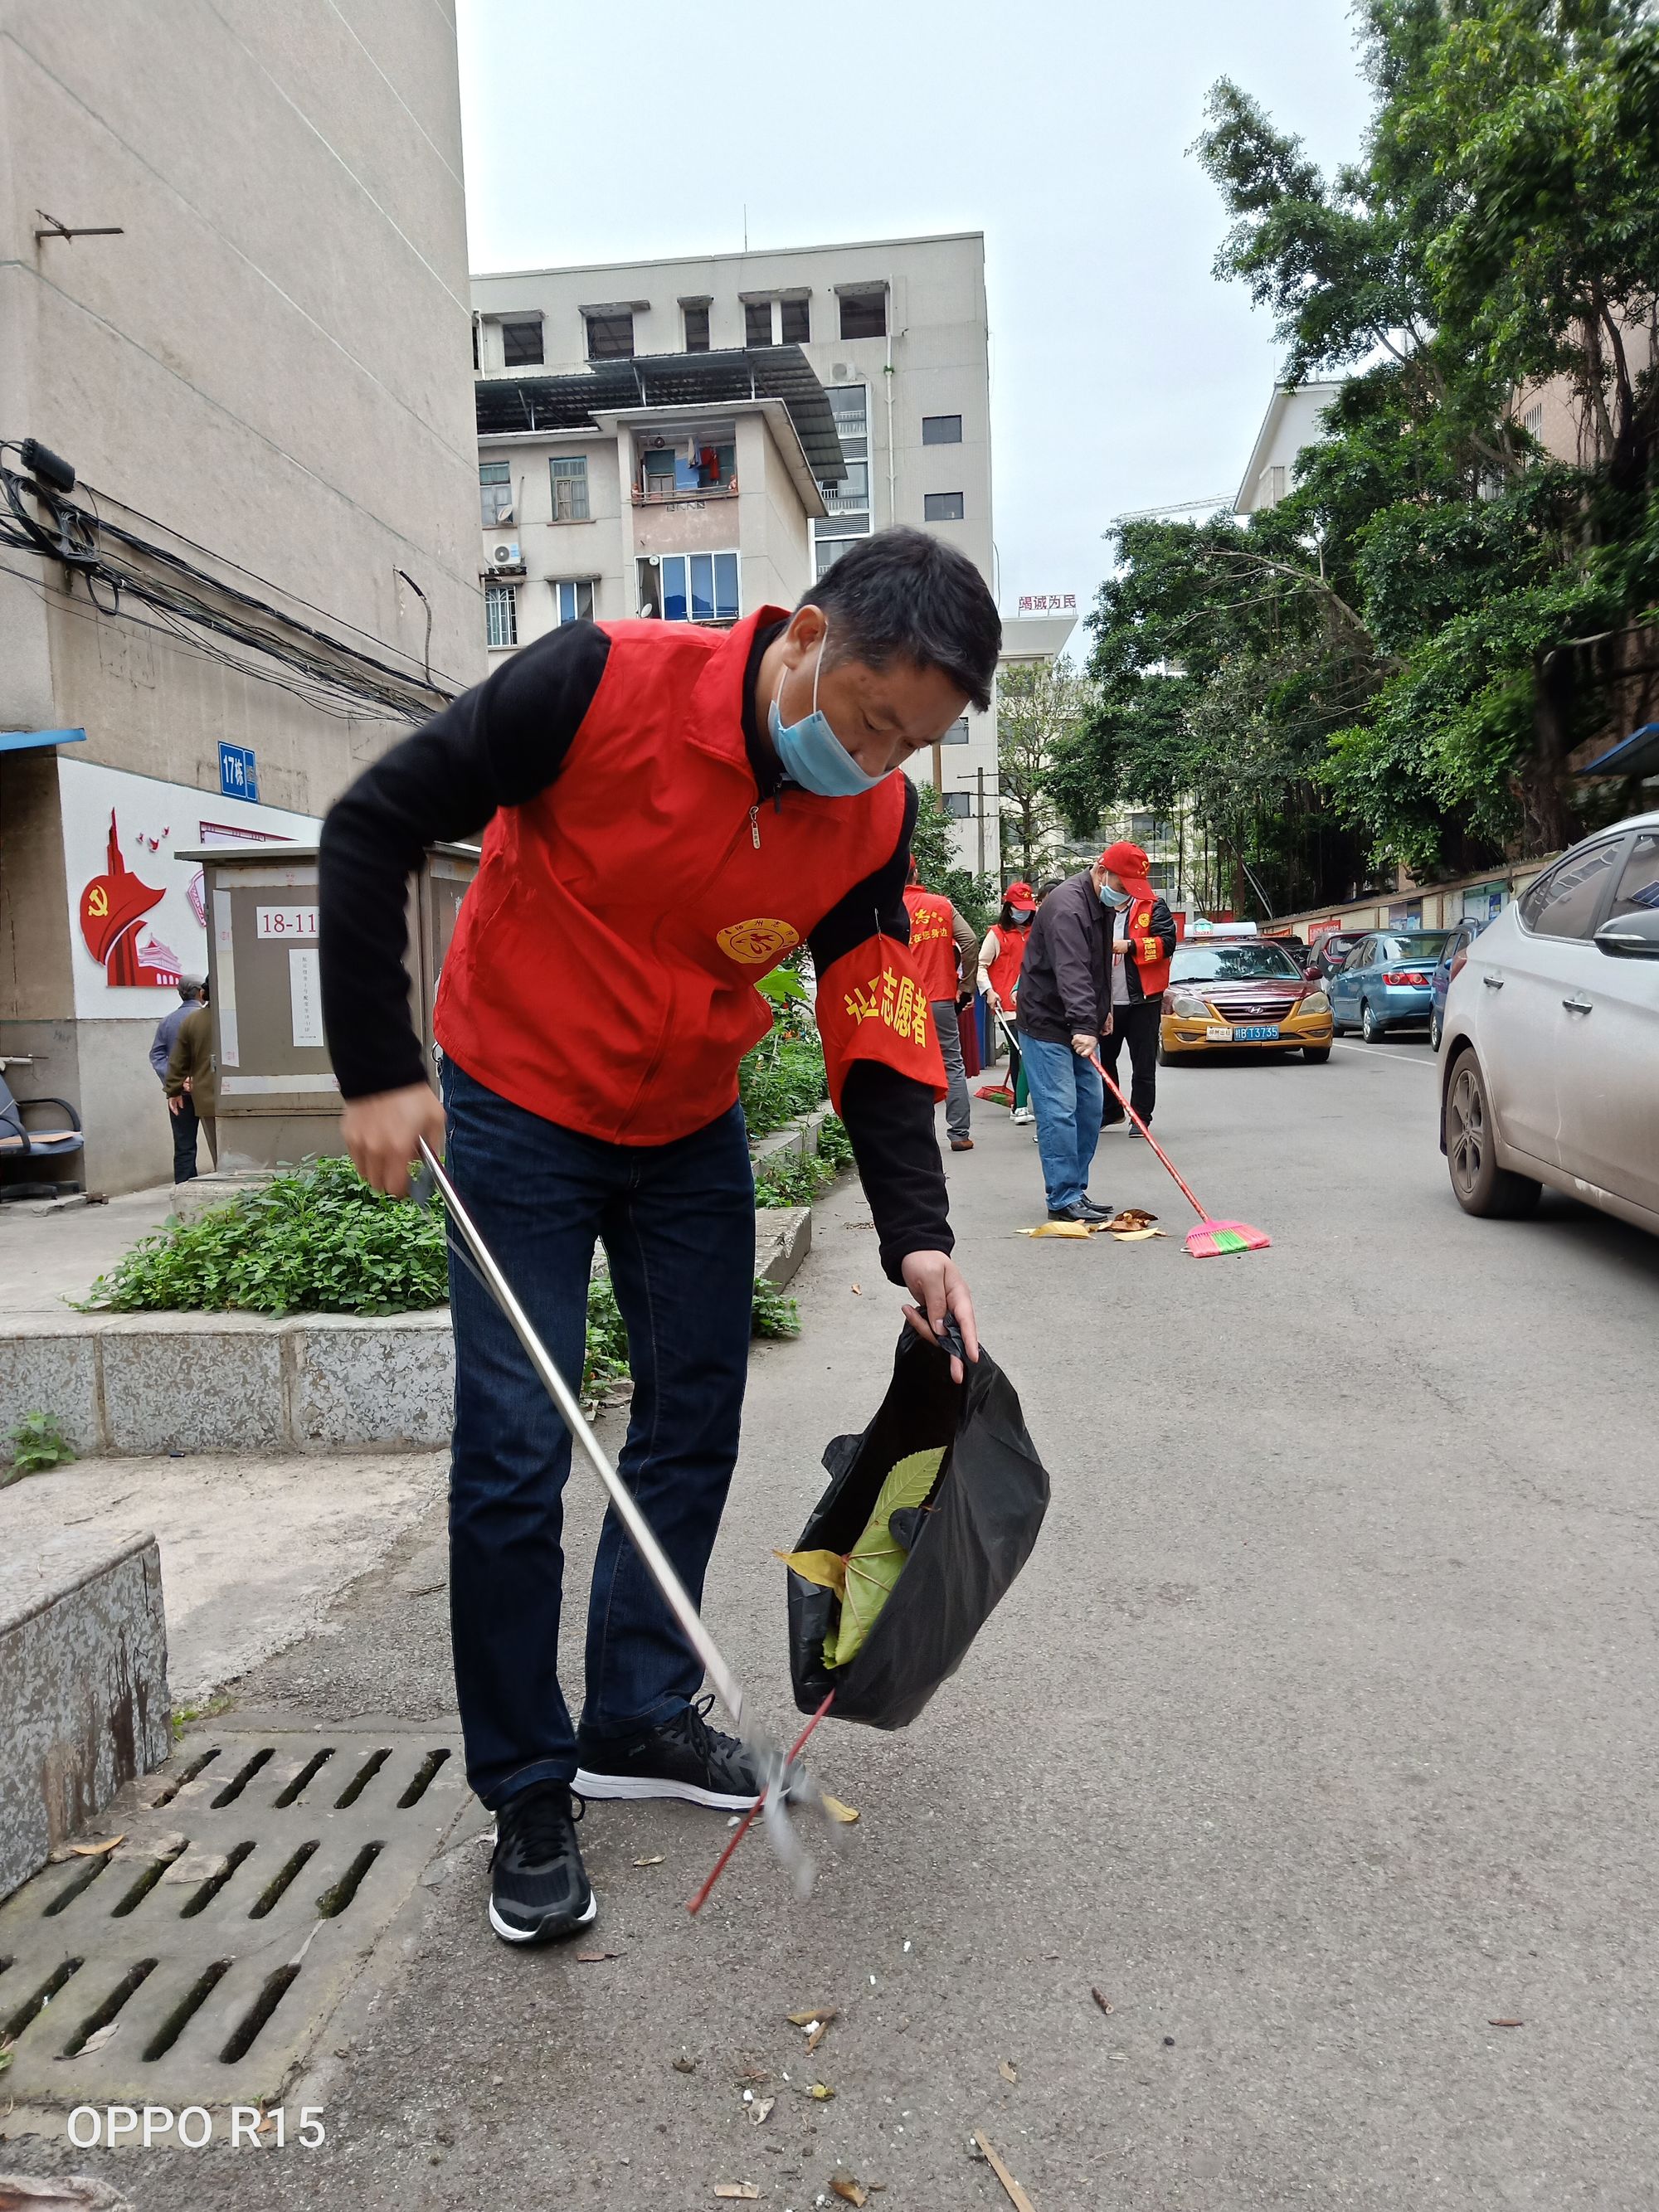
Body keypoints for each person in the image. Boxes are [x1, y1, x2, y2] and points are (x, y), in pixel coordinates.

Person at [317, 526, 995, 1951]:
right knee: (517, 1444)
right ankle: (527, 1782)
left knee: (696, 1412)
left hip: (685, 1118)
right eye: (871, 723)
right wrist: (380, 1066)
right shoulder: (592, 683)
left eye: (910, 748)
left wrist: (917, 1238)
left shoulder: (872, 820)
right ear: (806, 637)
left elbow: (875, 1028)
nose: (878, 766)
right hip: (517, 1099)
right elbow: (372, 822)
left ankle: (635, 1708)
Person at [1014, 853, 1119, 1223]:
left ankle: (1077, 1189)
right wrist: (1084, 1026)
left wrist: (1102, 1009)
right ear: (1102, 871)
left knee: (1091, 1106)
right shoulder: (1067, 908)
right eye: (1122, 887)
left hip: (1077, 1020)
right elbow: (1072, 970)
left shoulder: (1102, 903)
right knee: (1059, 1109)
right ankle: (1062, 1197)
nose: (1124, 898)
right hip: (1045, 1021)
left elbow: (1099, 963)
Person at [1097, 842, 1177, 1137]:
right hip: (1107, 1002)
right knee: (1104, 1062)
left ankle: (1141, 1116)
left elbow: (1167, 943)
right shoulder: (1098, 907)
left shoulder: (1153, 907)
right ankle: (1112, 1110)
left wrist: (1130, 946)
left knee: (1143, 1064)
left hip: (1143, 1000)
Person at [902, 862, 975, 1152]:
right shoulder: (941, 905)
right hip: (941, 998)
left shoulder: (886, 908)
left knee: (909, 1066)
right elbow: (968, 941)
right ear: (916, 874)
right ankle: (959, 1134)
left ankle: (916, 1135)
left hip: (904, 1001)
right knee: (952, 1063)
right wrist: (966, 986)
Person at [977, 882, 1037, 1123]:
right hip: (1006, 1005)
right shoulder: (997, 934)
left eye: (1027, 909)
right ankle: (1019, 1106)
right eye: (1018, 908)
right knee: (1020, 1050)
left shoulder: (1037, 931)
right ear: (1008, 907)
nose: (1024, 914)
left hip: (1034, 1002)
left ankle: (1022, 1102)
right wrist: (989, 991)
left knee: (1027, 1051)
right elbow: (981, 966)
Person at [151, 978, 206, 1182]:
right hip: (208, 1088)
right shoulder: (206, 1018)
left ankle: (183, 1187)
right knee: (219, 1142)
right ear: (201, 993)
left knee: (184, 1144)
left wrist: (177, 1081)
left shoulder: (168, 1021)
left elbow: (156, 1055)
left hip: (179, 1093)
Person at [163, 978, 217, 1169]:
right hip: (248, 1097)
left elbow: (177, 1060)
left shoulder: (192, 1021)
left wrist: (174, 1089)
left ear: (204, 994)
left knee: (219, 1153)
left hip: (207, 1097)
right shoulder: (245, 1018)